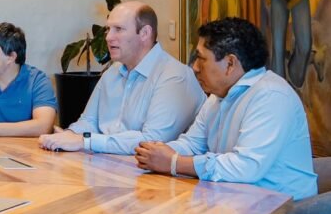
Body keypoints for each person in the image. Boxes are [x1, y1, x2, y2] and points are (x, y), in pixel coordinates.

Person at [135, 18, 316, 201]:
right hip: (234, 199)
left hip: (283, 210)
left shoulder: (271, 95)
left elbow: (245, 167)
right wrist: (155, 152)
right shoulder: (218, 96)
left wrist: (174, 163)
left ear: (230, 63)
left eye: (201, 59)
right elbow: (192, 145)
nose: (194, 67)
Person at [39, 2, 205, 154]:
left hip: (153, 174)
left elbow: (152, 142)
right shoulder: (112, 72)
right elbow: (89, 121)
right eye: (108, 29)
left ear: (145, 33)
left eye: (118, 29)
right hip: (108, 165)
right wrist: (67, 136)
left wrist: (85, 141)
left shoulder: (175, 76)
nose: (108, 37)